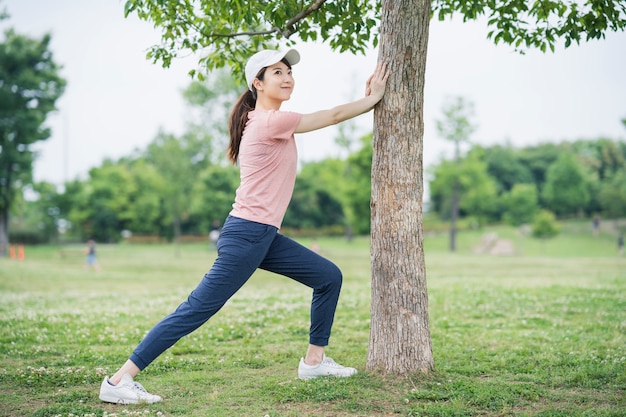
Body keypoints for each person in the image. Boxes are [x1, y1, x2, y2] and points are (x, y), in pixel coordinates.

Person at [98, 48, 390, 405]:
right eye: (277, 73)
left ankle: (314, 361)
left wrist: (368, 98)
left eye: (289, 72)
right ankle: (119, 380)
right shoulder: (269, 121)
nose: (287, 78)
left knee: (328, 276)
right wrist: (373, 98)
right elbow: (330, 116)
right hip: (248, 234)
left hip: (262, 235)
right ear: (258, 82)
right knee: (197, 308)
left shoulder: (263, 120)